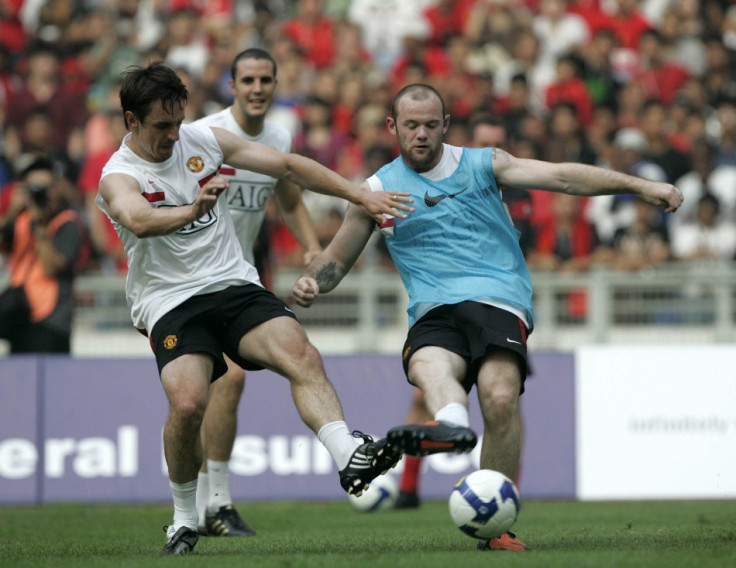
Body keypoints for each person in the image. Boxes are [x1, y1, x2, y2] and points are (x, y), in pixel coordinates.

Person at [292, 84, 683, 552]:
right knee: (429, 366)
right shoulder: (377, 190)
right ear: (393, 127)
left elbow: (562, 177)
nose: (421, 135)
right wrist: (314, 280)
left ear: (446, 125)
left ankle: (495, 528)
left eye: (431, 125)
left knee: (499, 400)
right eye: (411, 126)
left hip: (497, 301)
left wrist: (641, 186)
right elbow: (336, 262)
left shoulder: (482, 163)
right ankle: (454, 427)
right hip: (434, 310)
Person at [96, 62, 411, 556]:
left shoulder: (204, 140)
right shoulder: (119, 174)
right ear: (131, 121)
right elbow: (136, 219)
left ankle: (348, 452)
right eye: (161, 126)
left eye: (178, 122)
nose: (174, 136)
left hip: (230, 282)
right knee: (188, 403)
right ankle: (184, 518)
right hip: (170, 301)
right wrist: (193, 211)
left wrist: (359, 195)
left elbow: (287, 167)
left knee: (299, 352)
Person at [190, 48, 323, 537]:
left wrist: (312, 247)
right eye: (248, 79)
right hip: (192, 282)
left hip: (238, 280)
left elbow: (289, 196)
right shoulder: (204, 136)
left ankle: (209, 505)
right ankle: (210, 505)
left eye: (266, 79)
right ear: (232, 85)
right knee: (209, 390)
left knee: (220, 386)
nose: (258, 88)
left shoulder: (279, 136)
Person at [392, 112, 534, 510]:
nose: (492, 147)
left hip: (499, 303)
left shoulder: (519, 191)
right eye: (485, 140)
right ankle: (408, 487)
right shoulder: (457, 175)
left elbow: (528, 246)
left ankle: (502, 494)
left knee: (504, 399)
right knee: (427, 390)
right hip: (442, 302)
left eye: (498, 140)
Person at [0, 157, 84, 353]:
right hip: (21, 317)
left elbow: (52, 268)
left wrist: (40, 226)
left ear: (55, 190)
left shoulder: (67, 223)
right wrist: (12, 212)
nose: (40, 194)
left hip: (51, 322)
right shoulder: (21, 219)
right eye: (33, 189)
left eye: (45, 188)